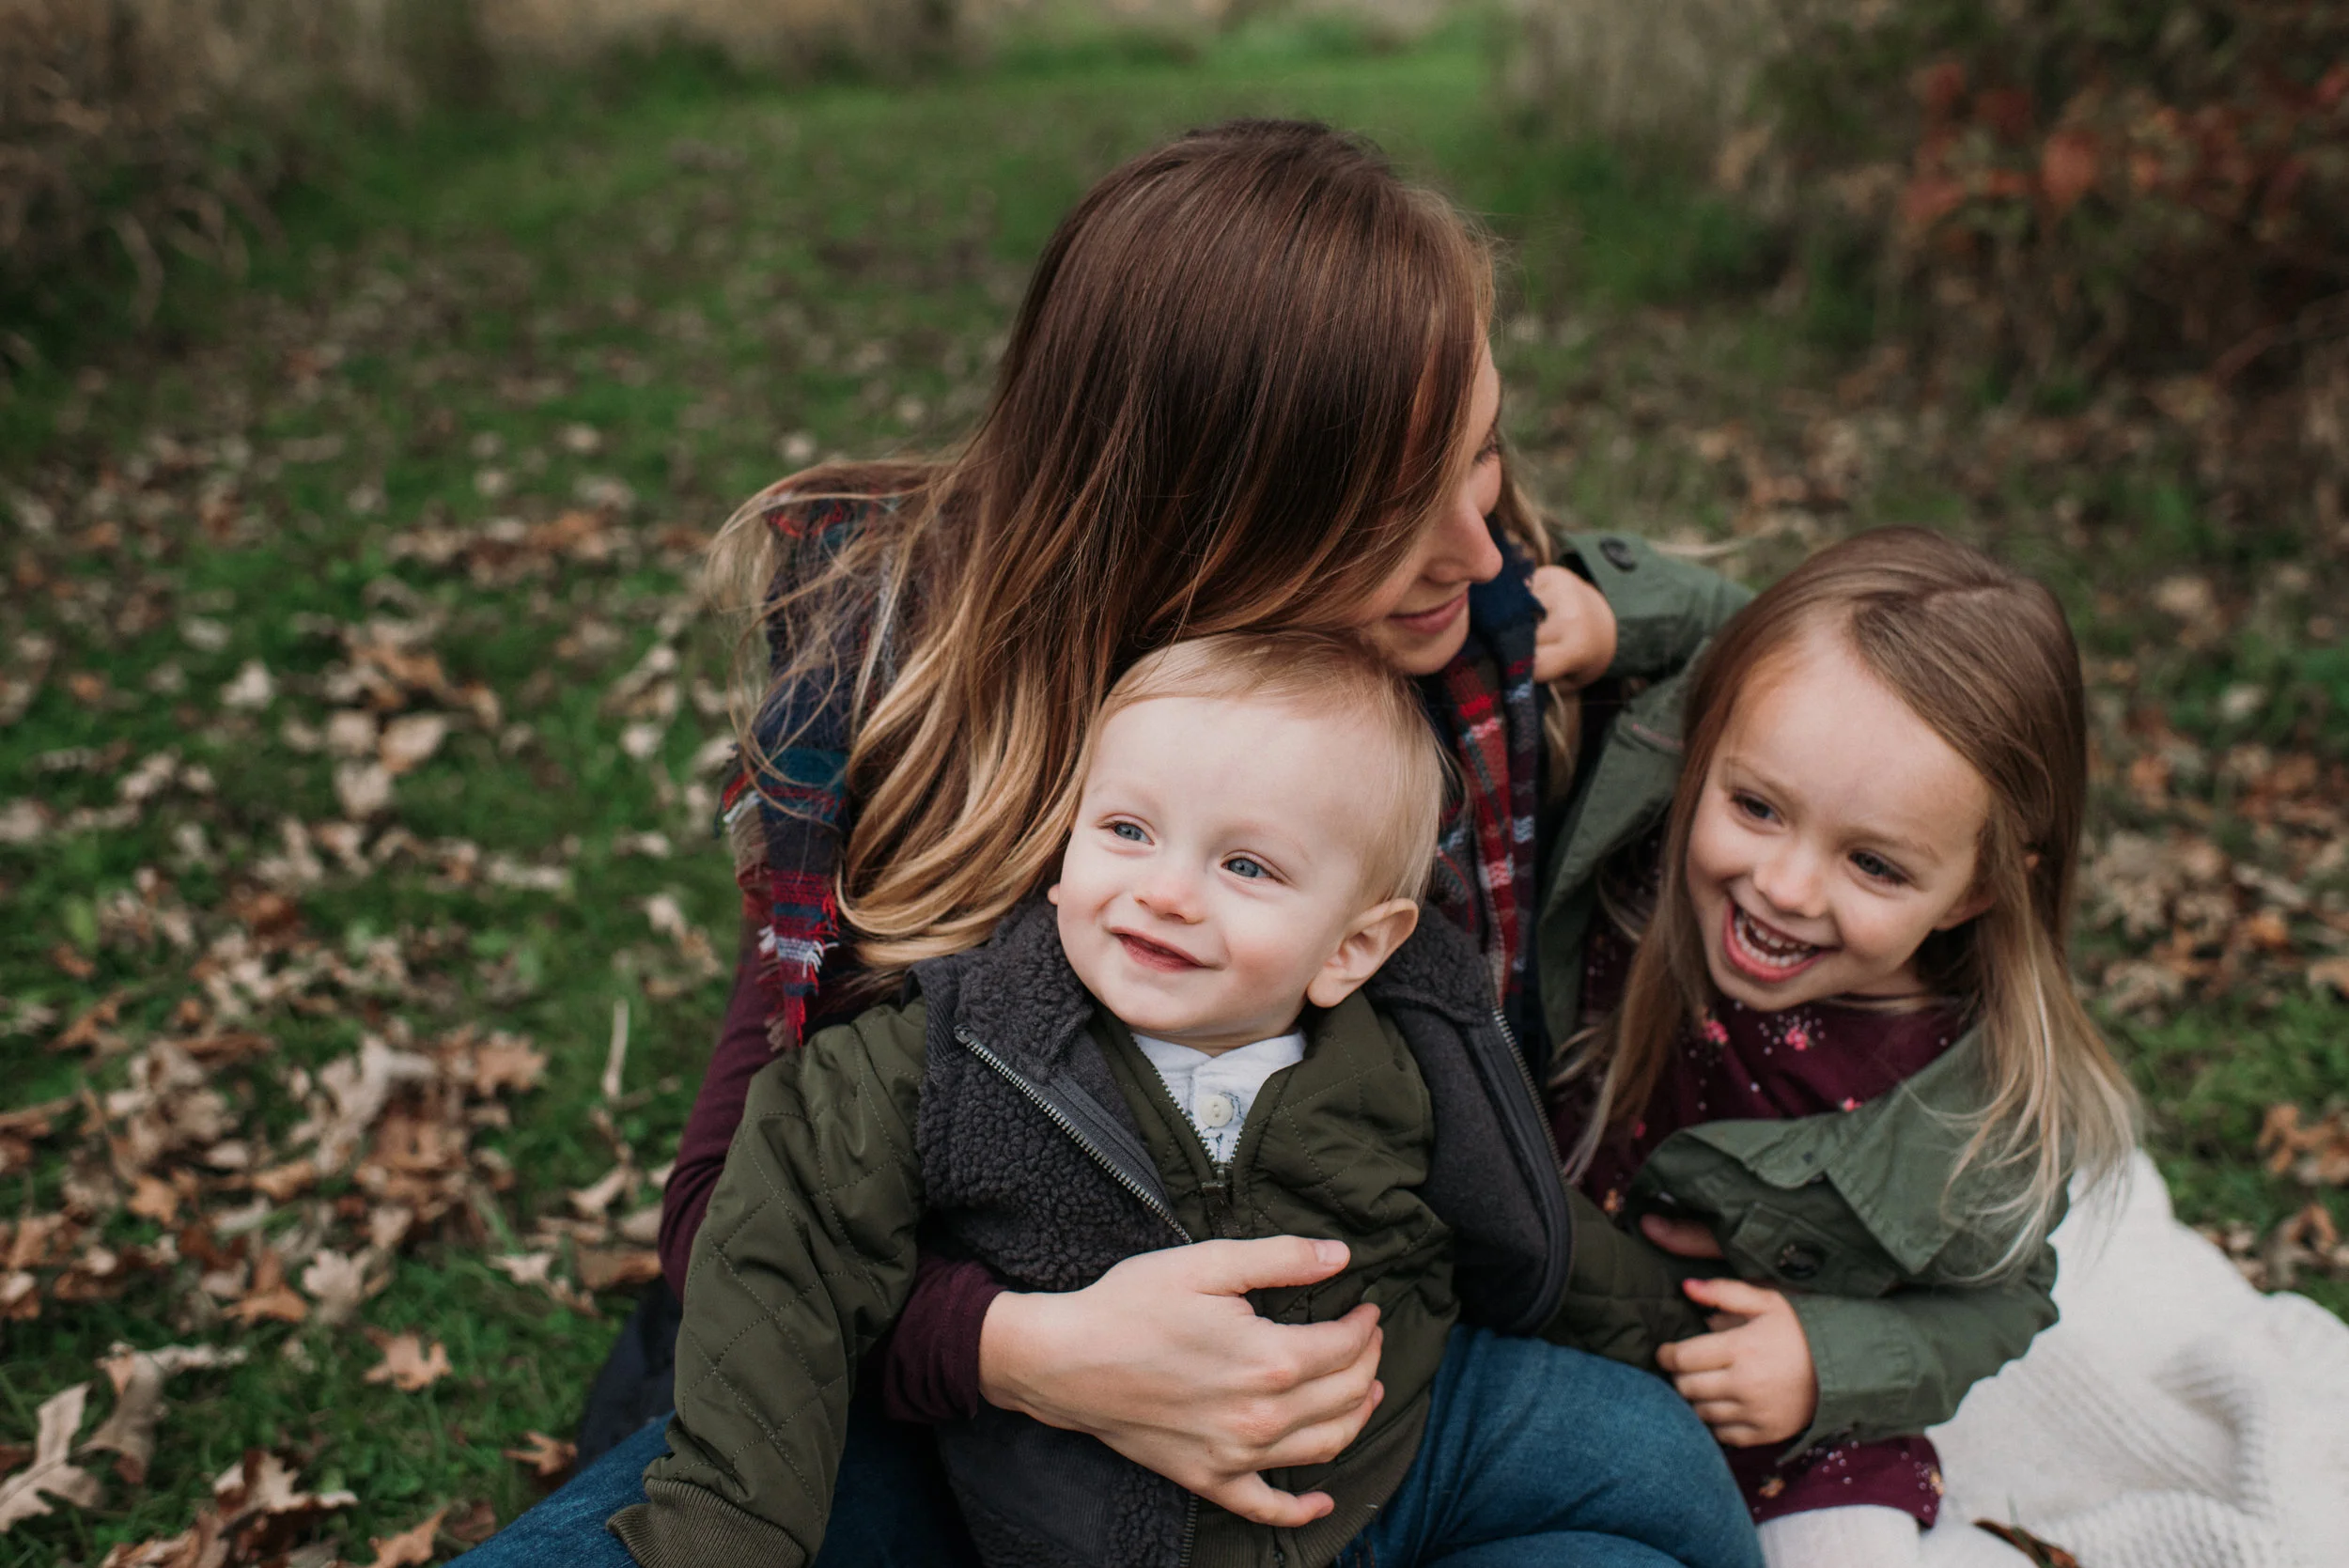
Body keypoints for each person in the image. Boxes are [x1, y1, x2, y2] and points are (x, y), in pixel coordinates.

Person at [452, 116, 1753, 1564]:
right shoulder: (915, 697)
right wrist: (1031, 1353)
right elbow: (729, 1220)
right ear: (1211, 524)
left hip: (1367, 1428)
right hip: (960, 1413)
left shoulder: (1481, 650)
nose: (1487, 551)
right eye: (1396, 513)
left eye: (1488, 458)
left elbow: (1836, 761)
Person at [614, 630, 1763, 1568]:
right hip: (1096, 1522)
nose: (1162, 891)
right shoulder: (954, 1052)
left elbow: (1531, 1233)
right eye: (1126, 830)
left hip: (1390, 1458)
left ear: (1353, 947)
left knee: (1649, 1459)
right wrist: (728, 1536)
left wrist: (1698, 1328)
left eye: (1246, 866)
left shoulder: (1397, 1047)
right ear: (1060, 850)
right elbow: (779, 1257)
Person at [1543, 528, 2140, 1568]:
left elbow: (2005, 1296)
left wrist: (1830, 1360)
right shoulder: (1673, 840)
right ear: (1708, 741)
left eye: (1873, 864)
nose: (1785, 885)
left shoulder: (1963, 1108)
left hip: (1784, 1434)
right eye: (1756, 807)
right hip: (1555, 1326)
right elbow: (1734, 634)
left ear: (1980, 887)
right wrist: (1610, 616)